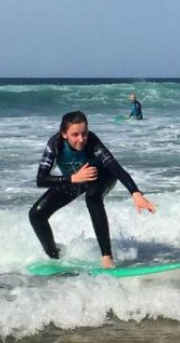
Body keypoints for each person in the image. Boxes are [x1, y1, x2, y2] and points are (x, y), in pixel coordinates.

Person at [29, 111, 156, 268]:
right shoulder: (55, 145)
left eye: (84, 133)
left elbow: (114, 167)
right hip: (77, 178)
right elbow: (41, 179)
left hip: (103, 175)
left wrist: (135, 193)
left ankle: (107, 258)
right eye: (75, 134)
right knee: (36, 215)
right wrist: (72, 179)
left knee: (93, 197)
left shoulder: (92, 142)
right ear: (64, 134)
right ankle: (54, 257)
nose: (81, 139)